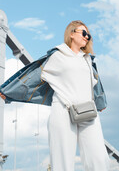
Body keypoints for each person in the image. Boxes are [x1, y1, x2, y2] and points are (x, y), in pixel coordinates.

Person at [0, 20, 110, 171]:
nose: (87, 37)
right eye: (83, 33)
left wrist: (101, 103)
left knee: (99, 159)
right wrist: (9, 91)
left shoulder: (88, 60)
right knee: (62, 161)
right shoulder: (58, 56)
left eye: (89, 35)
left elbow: (95, 85)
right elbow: (32, 76)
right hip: (63, 111)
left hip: (88, 112)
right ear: (72, 34)